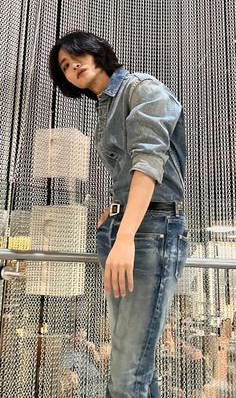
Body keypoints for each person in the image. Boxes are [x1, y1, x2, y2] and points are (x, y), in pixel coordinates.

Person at [49, 31, 189, 398]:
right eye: (64, 65)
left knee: (127, 376)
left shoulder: (141, 89)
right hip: (123, 229)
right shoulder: (105, 105)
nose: (72, 65)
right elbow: (125, 172)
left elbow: (148, 163)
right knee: (135, 367)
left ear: (98, 54)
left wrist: (125, 234)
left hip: (150, 231)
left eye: (77, 55)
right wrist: (112, 212)